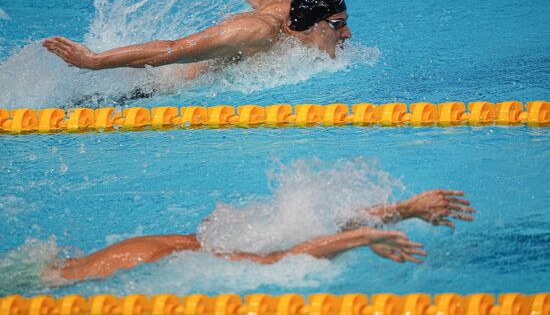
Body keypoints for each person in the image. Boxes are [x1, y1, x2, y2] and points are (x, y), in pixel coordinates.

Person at [46, 189, 474, 283]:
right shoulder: (155, 255)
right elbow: (286, 252)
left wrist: (377, 228)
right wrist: (363, 235)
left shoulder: (182, 248)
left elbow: (289, 249)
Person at [42, 0, 351, 76]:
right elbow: (174, 49)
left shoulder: (290, 8)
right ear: (316, 25)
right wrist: (95, 60)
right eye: (340, 25)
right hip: (158, 86)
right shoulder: (255, 31)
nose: (348, 34)